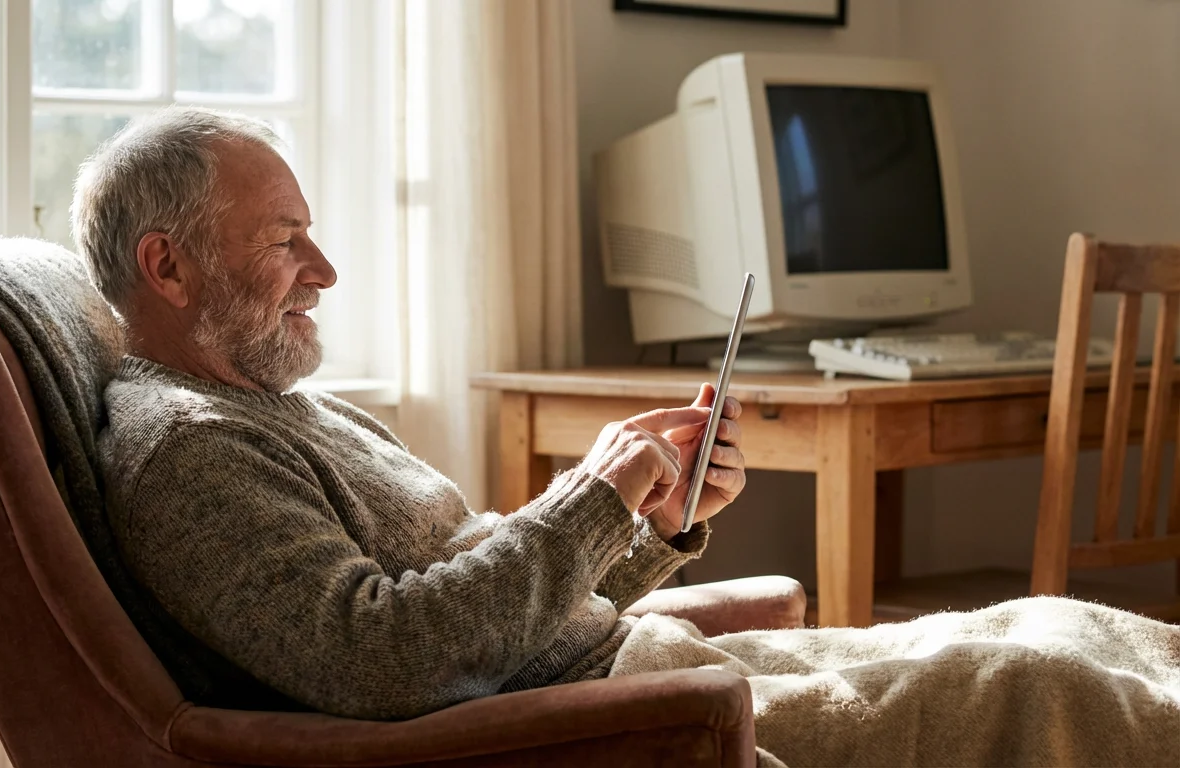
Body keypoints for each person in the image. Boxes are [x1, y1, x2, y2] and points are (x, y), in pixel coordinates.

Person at [74, 106, 801, 720]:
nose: (324, 271)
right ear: (168, 267)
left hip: (649, 670)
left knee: (915, 656)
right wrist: (595, 494)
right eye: (283, 238)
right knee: (920, 685)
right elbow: (384, 659)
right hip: (622, 717)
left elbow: (501, 625)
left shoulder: (286, 409)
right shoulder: (191, 452)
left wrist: (648, 524)